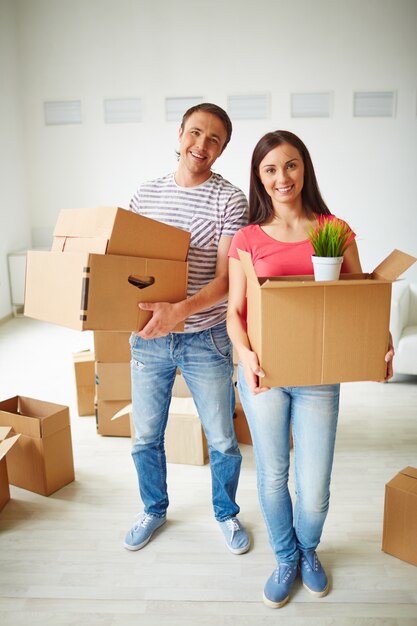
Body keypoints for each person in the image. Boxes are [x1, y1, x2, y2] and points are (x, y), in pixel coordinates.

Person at [226, 130, 394, 608]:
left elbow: (358, 301)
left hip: (318, 376)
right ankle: (285, 556)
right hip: (265, 373)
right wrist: (245, 355)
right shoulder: (247, 238)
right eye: (271, 169)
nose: (283, 177)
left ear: (306, 168)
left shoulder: (335, 229)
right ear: (259, 178)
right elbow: (233, 311)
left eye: (292, 165)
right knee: (274, 473)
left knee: (314, 485)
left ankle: (308, 549)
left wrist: (378, 341)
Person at [124, 103, 250, 556]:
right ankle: (153, 509)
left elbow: (224, 280)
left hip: (206, 336)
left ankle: (226, 513)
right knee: (145, 435)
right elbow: (128, 266)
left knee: (221, 437)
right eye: (195, 133)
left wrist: (180, 311)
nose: (201, 145)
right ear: (179, 134)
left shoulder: (229, 200)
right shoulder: (145, 194)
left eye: (214, 139)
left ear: (222, 149)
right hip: (150, 336)